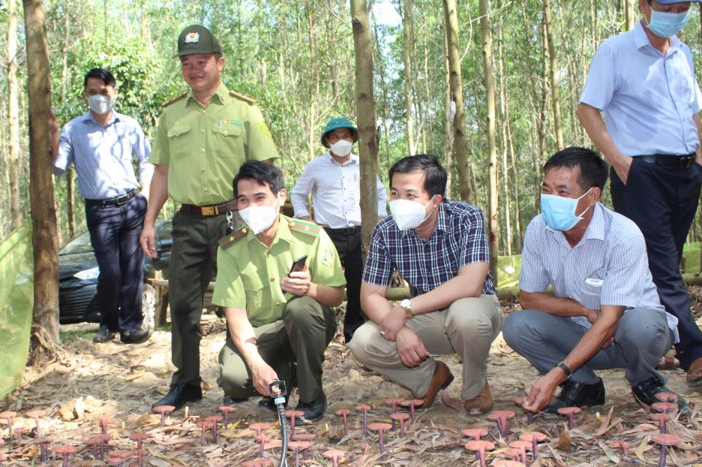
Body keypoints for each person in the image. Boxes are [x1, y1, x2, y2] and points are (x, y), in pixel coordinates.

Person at [577, 0, 702, 388]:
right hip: (643, 173)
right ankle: (697, 353)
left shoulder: (683, 53)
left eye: (683, 5)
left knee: (661, 265)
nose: (676, 11)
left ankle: (658, 340)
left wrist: (701, 159)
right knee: (664, 266)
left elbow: (692, 110)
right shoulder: (616, 51)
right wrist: (620, 162)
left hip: (685, 172)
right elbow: (587, 108)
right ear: (644, 5)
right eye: (667, 4)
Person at [142, 25, 279, 410]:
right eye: (187, 63)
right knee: (183, 305)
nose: (194, 69)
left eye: (202, 61)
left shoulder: (244, 110)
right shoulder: (170, 115)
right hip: (187, 223)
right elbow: (162, 173)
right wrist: (149, 221)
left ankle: (261, 377)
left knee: (253, 299)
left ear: (219, 62)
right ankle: (186, 381)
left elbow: (265, 169)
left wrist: (264, 217)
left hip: (235, 219)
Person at [502, 147, 687, 415]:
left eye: (563, 192)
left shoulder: (623, 234)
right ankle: (583, 385)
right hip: (579, 334)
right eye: (546, 189)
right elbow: (529, 298)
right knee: (518, 325)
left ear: (592, 196)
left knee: (641, 326)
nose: (551, 199)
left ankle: (644, 381)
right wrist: (584, 310)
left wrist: (555, 375)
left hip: (627, 340)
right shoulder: (539, 229)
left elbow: (611, 320)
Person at [348, 154, 501, 414]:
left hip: (477, 312)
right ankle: (430, 377)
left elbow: (471, 283)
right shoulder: (386, 231)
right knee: (362, 340)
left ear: (435, 200)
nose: (398, 203)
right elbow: (370, 295)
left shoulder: (467, 218)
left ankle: (475, 389)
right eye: (395, 193)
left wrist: (405, 309)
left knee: (465, 315)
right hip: (429, 317)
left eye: (410, 195)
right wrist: (402, 331)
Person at [213, 161, 344, 420]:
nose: (251, 208)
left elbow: (336, 296)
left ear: (280, 197)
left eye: (260, 197)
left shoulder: (311, 236)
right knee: (233, 378)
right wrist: (256, 364)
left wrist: (310, 288)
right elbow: (236, 315)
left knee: (301, 308)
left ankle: (311, 396)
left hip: (306, 326)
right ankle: (283, 374)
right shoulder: (230, 249)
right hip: (262, 334)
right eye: (243, 200)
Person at [51, 68, 154, 344]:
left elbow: (147, 158)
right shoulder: (73, 129)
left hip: (132, 204)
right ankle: (107, 324)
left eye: (104, 92)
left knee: (133, 267)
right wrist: (51, 136)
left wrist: (145, 192)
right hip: (100, 210)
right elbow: (58, 168)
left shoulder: (129, 125)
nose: (98, 97)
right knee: (110, 271)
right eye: (92, 92)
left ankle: (131, 326)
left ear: (114, 92)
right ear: (85, 94)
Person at [290, 117, 387, 342]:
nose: (340, 140)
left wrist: (380, 216)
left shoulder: (364, 165)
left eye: (345, 136)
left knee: (358, 285)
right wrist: (307, 220)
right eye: (335, 136)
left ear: (352, 139)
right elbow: (297, 194)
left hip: (358, 233)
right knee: (323, 283)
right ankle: (320, 331)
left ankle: (355, 336)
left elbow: (380, 193)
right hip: (327, 234)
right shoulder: (316, 166)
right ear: (327, 141)